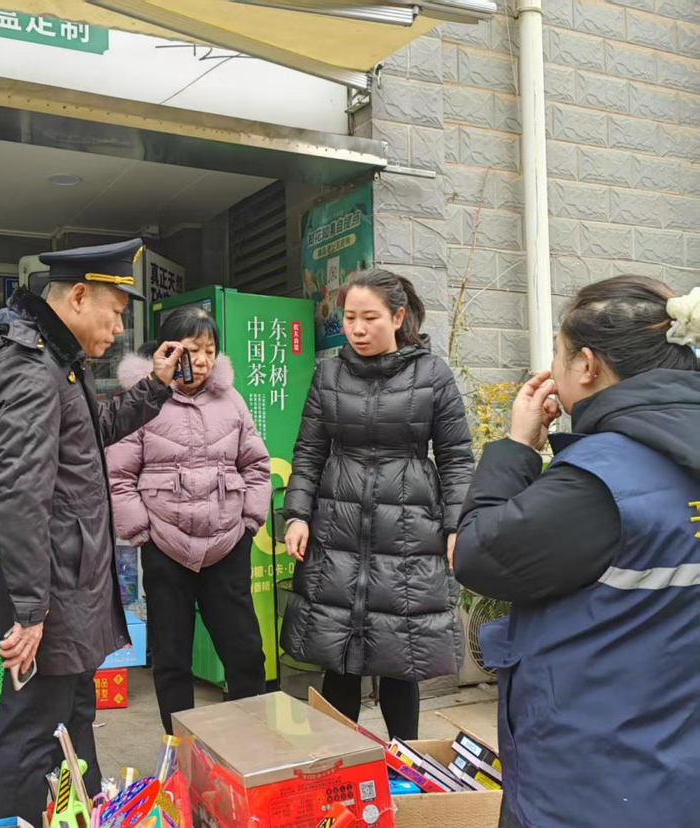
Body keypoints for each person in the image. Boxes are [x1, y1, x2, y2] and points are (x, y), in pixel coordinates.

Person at [454, 276, 700, 828]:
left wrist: (516, 448)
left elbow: (476, 553)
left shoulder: (598, 484)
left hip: (589, 789)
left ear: (587, 366)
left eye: (559, 358)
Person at [0, 239, 184, 823]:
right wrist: (32, 609)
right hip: (51, 584)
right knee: (34, 727)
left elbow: (91, 430)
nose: (119, 328)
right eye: (114, 312)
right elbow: (18, 492)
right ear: (79, 295)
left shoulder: (56, 362)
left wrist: (156, 386)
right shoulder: (29, 366)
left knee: (70, 716)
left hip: (67, 576)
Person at [281, 268, 474, 740]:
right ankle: (339, 770)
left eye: (370, 317)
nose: (358, 329)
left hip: (409, 529)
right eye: (349, 318)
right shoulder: (328, 373)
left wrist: (457, 526)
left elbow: (456, 459)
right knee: (338, 657)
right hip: (337, 527)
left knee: (399, 656)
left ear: (398, 316)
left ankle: (404, 765)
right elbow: (308, 450)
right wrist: (297, 514)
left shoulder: (432, 374)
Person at [107, 305, 270, 734]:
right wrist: (142, 533)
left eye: (209, 350)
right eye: (191, 349)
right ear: (167, 349)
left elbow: (256, 465)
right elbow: (119, 476)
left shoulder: (231, 400)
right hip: (165, 549)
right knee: (172, 658)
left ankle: (248, 747)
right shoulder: (141, 400)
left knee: (246, 654)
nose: (200, 360)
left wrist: (250, 522)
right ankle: (179, 752)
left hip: (227, 546)